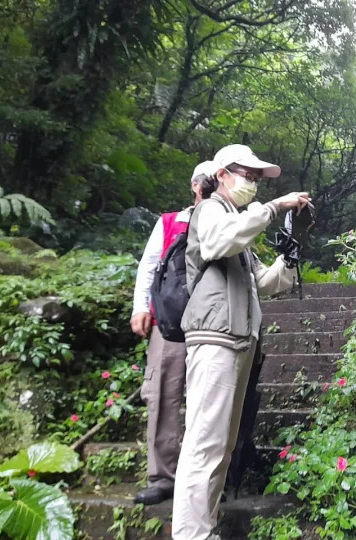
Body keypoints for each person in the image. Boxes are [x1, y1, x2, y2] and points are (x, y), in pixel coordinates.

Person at [172, 144, 310, 539]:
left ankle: (203, 528)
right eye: (246, 174)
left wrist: (291, 254)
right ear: (223, 174)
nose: (252, 182)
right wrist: (272, 208)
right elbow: (216, 243)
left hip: (236, 340)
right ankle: (191, 535)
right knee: (204, 445)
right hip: (214, 337)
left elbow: (264, 283)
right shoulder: (211, 210)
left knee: (220, 447)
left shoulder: (237, 224)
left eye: (255, 177)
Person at [130, 161, 218, 506]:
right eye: (203, 181)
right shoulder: (170, 221)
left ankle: (204, 477)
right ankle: (163, 476)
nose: (207, 186)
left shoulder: (228, 222)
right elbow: (150, 264)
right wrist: (141, 307)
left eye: (213, 180)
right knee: (163, 394)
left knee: (209, 398)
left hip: (212, 322)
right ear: (194, 185)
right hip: (169, 322)